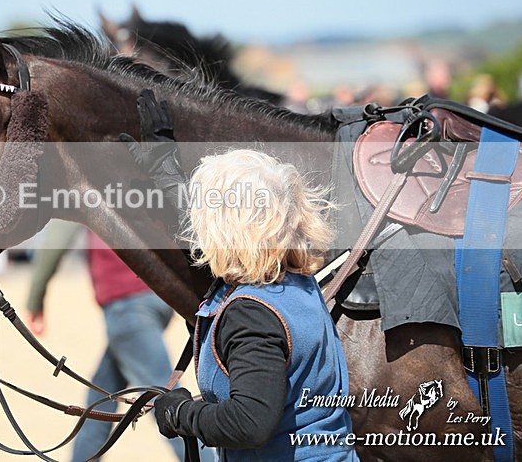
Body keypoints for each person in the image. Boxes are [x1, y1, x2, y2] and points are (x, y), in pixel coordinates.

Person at [121, 89, 357, 460]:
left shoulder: (251, 314)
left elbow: (250, 422)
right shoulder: (293, 281)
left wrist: (181, 414)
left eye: (206, 214)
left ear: (229, 229)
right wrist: (166, 174)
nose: (200, 223)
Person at [26, 220, 202, 462]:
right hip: (157, 299)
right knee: (98, 405)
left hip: (127, 307)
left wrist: (35, 301)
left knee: (169, 406)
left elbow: (57, 237)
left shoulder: (88, 196)